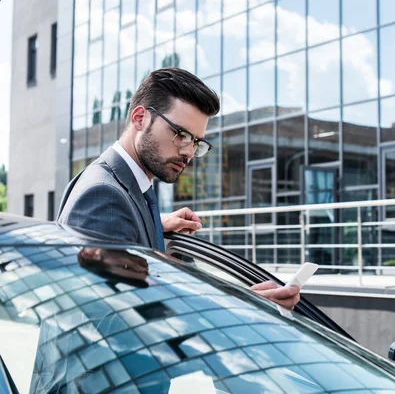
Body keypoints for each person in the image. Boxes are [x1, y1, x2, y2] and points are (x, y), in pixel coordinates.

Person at [59, 67, 299, 309]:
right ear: (140, 118)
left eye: (196, 142)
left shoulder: (126, 193)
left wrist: (153, 224)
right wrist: (247, 305)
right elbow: (132, 313)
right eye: (180, 134)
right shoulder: (105, 196)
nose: (188, 152)